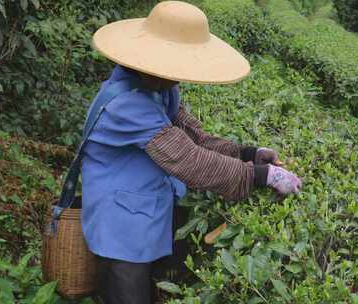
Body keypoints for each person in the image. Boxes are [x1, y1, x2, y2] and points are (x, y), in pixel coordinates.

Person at [81, 1, 302, 303]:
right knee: (126, 289)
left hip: (146, 206)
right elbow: (188, 159)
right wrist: (261, 176)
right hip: (121, 222)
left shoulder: (160, 88)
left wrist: (248, 153)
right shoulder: (126, 105)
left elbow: (194, 137)